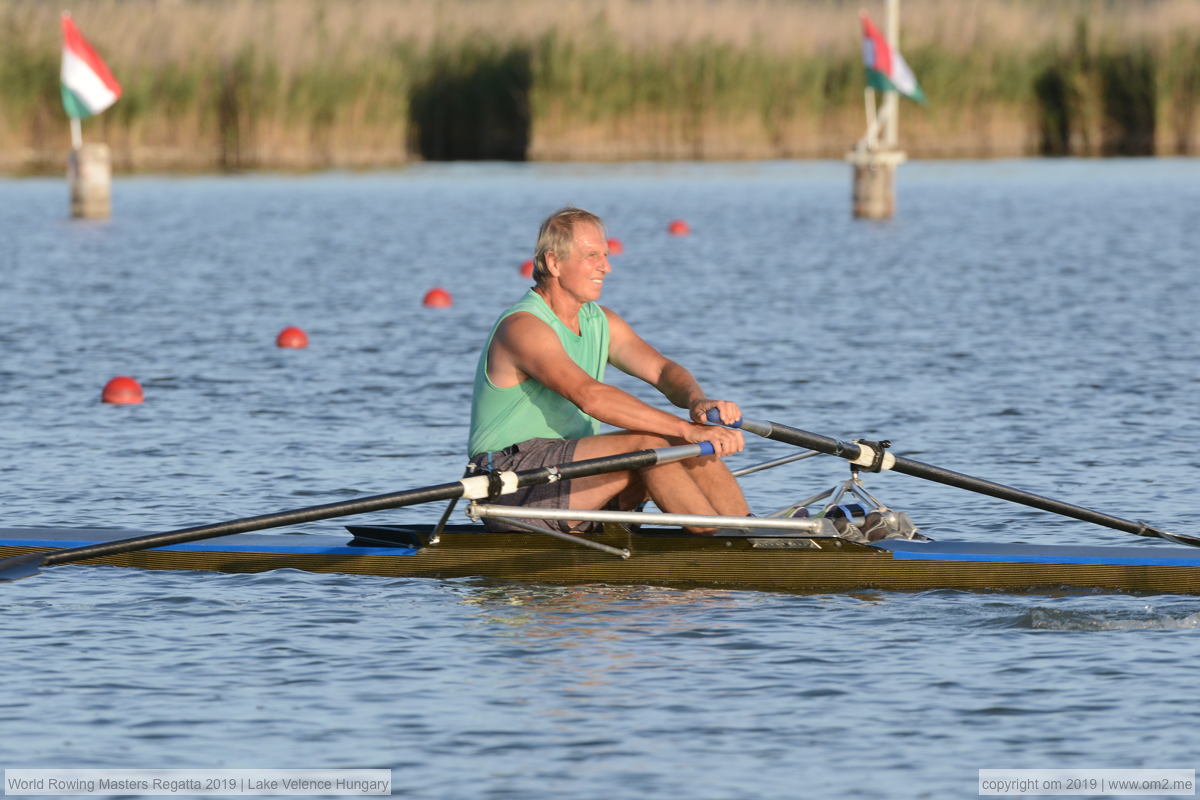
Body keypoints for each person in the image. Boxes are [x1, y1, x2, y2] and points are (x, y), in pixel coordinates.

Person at [467, 206, 749, 534]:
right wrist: (687, 431)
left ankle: (748, 532)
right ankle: (719, 539)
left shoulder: (601, 321)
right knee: (652, 440)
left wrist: (696, 402)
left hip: (567, 472)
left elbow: (662, 370)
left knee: (674, 437)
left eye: (606, 254)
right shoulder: (523, 328)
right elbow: (591, 398)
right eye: (592, 255)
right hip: (510, 480)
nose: (606, 266)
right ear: (553, 262)